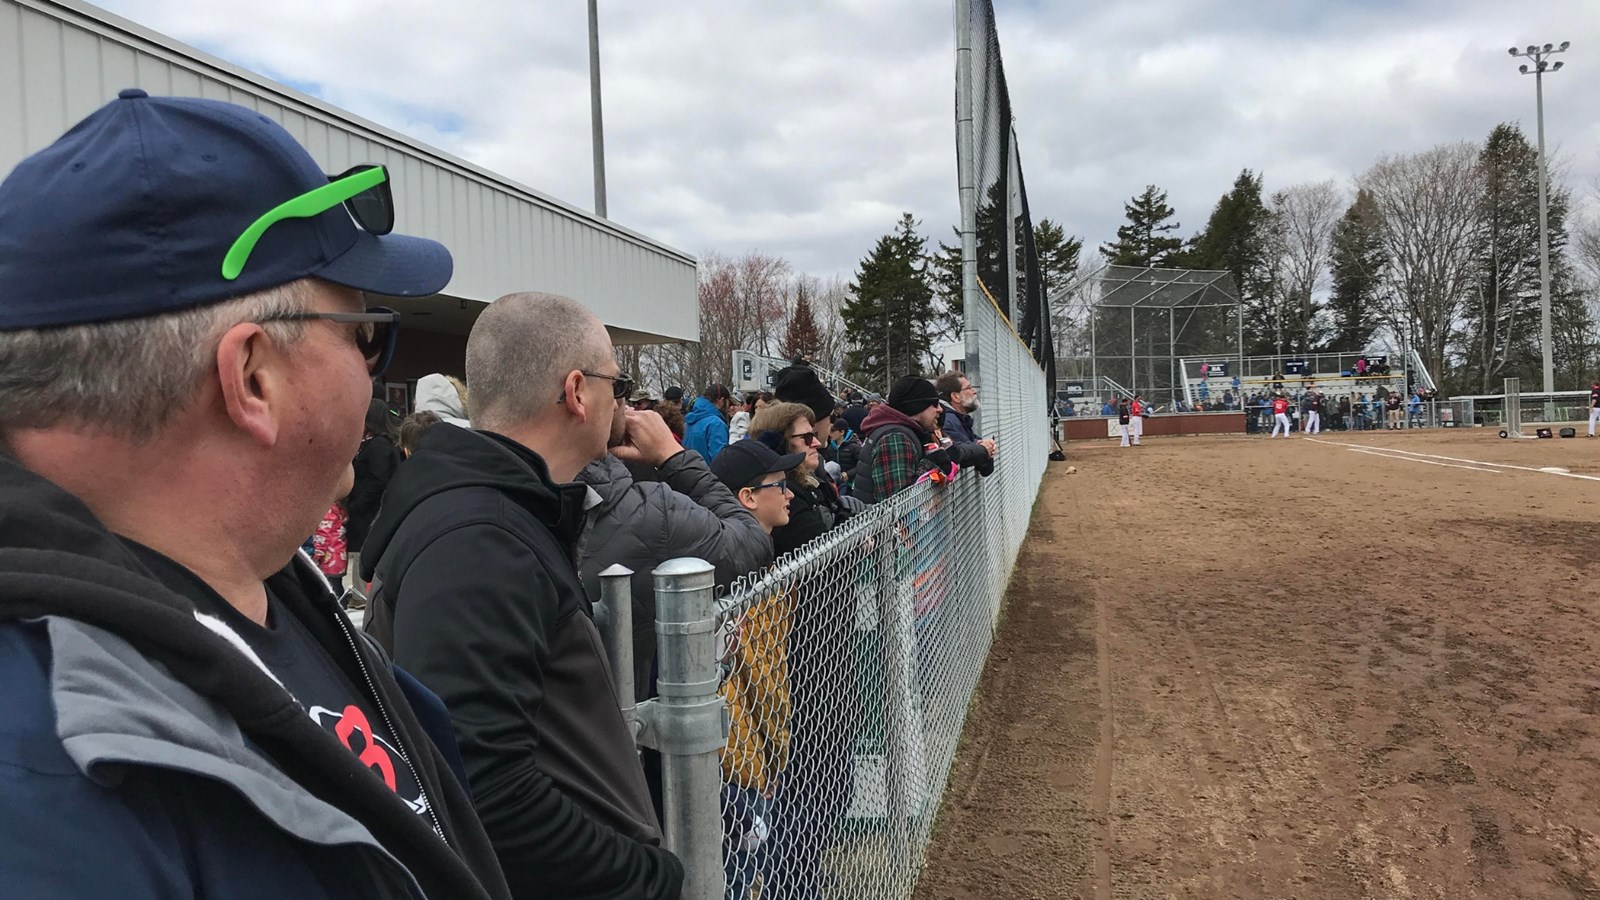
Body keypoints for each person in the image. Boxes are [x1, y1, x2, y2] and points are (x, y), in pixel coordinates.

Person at [0, 91, 510, 898]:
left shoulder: (255, 578)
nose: (370, 374)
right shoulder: (49, 803)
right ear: (253, 378)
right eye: (364, 334)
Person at [362, 293, 684, 899]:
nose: (622, 402)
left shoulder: (496, 511)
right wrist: (647, 878)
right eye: (617, 384)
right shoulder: (480, 538)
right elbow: (483, 790)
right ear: (577, 391)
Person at [575, 407, 774, 825]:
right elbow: (749, 542)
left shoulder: (462, 502)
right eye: (618, 388)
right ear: (579, 395)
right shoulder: (650, 513)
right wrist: (672, 455)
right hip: (615, 772)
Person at [706, 439, 801, 900]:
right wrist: (775, 755)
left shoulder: (749, 567)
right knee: (737, 879)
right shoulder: (749, 579)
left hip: (737, 752)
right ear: (747, 498)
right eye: (779, 486)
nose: (790, 494)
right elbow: (765, 682)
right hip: (740, 759)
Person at [749, 402, 851, 557]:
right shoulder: (782, 495)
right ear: (782, 442)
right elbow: (825, 554)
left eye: (814, 435)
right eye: (807, 438)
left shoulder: (809, 481)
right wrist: (849, 521)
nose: (817, 443)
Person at [852, 376, 955, 504]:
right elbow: (897, 503)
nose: (940, 409)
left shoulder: (901, 432)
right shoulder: (895, 438)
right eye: (934, 404)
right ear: (916, 407)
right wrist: (931, 464)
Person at [346, 398, 403, 607]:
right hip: (372, 510)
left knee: (364, 552)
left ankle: (361, 596)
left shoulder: (378, 446)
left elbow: (377, 480)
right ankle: (361, 595)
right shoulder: (384, 443)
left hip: (369, 512)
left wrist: (356, 505)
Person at [934, 371, 997, 476]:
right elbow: (961, 455)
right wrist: (983, 449)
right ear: (955, 396)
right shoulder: (948, 421)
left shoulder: (961, 420)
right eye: (969, 388)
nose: (974, 391)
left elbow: (984, 468)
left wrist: (986, 448)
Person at [685, 383, 735, 461]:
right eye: (729, 404)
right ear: (721, 401)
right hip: (707, 468)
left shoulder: (688, 422)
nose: (729, 408)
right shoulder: (716, 424)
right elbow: (719, 460)